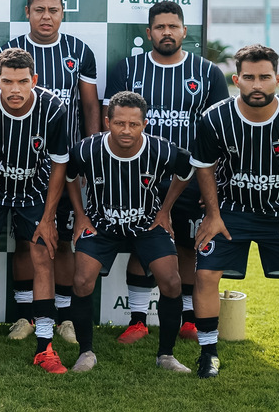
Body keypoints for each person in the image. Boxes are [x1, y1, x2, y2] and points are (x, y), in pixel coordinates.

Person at [191, 44, 279, 381]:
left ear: (278, 79)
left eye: (264, 77)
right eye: (249, 77)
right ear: (236, 79)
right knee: (206, 275)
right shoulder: (215, 118)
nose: (257, 85)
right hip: (230, 209)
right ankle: (208, 354)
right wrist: (213, 214)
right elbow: (204, 167)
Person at [103, 1, 229, 344]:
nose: (167, 32)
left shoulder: (207, 73)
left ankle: (188, 319)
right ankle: (138, 321)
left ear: (185, 31)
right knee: (143, 245)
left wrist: (214, 185)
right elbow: (109, 124)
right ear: (149, 33)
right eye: (160, 27)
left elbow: (221, 134)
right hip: (137, 176)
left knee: (188, 246)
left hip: (191, 179)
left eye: (173, 26)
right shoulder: (128, 69)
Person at [0, 0, 101, 343]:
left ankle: (65, 317)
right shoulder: (10, 51)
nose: (46, 16)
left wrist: (90, 154)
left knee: (64, 240)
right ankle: (25, 315)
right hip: (21, 165)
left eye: (53, 10)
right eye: (39, 10)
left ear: (62, 13)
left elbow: (90, 106)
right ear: (27, 12)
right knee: (28, 241)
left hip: (66, 164)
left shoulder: (79, 51)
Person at [0, 48, 70, 373]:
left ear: (34, 80)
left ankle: (45, 346)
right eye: (8, 81)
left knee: (42, 258)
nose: (15, 89)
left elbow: (59, 166)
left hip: (35, 188)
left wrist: (48, 218)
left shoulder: (53, 108)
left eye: (23, 81)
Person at [67, 91, 193, 373]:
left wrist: (165, 210)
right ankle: (86, 352)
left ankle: (166, 356)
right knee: (82, 281)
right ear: (107, 121)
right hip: (101, 223)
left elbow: (186, 172)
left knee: (172, 282)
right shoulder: (87, 149)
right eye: (119, 123)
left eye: (133, 124)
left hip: (148, 224)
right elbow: (68, 174)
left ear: (144, 124)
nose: (126, 130)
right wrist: (80, 215)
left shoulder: (161, 149)